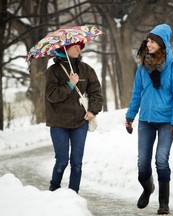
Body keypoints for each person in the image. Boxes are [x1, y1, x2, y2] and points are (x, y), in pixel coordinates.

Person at [125, 24, 173, 214]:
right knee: (143, 164)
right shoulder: (143, 65)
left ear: (162, 43)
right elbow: (137, 93)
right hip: (146, 121)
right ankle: (147, 188)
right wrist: (130, 116)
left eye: (152, 41)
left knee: (161, 160)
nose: (148, 44)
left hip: (167, 121)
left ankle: (163, 203)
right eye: (148, 41)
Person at [45, 41, 103, 193]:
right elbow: (52, 96)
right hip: (58, 123)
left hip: (80, 123)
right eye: (76, 46)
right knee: (62, 161)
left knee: (77, 163)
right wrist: (70, 84)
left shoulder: (86, 70)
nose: (79, 49)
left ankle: (73, 196)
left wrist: (92, 111)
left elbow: (96, 93)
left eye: (81, 47)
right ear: (65, 48)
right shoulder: (53, 71)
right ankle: (54, 188)